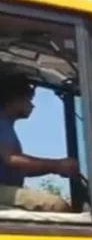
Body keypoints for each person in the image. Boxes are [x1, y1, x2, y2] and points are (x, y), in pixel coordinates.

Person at [0, 74, 77, 212]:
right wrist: (57, 165)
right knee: (56, 205)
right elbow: (12, 160)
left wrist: (53, 168)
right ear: (14, 100)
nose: (32, 105)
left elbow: (18, 169)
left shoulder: (6, 127)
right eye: (28, 100)